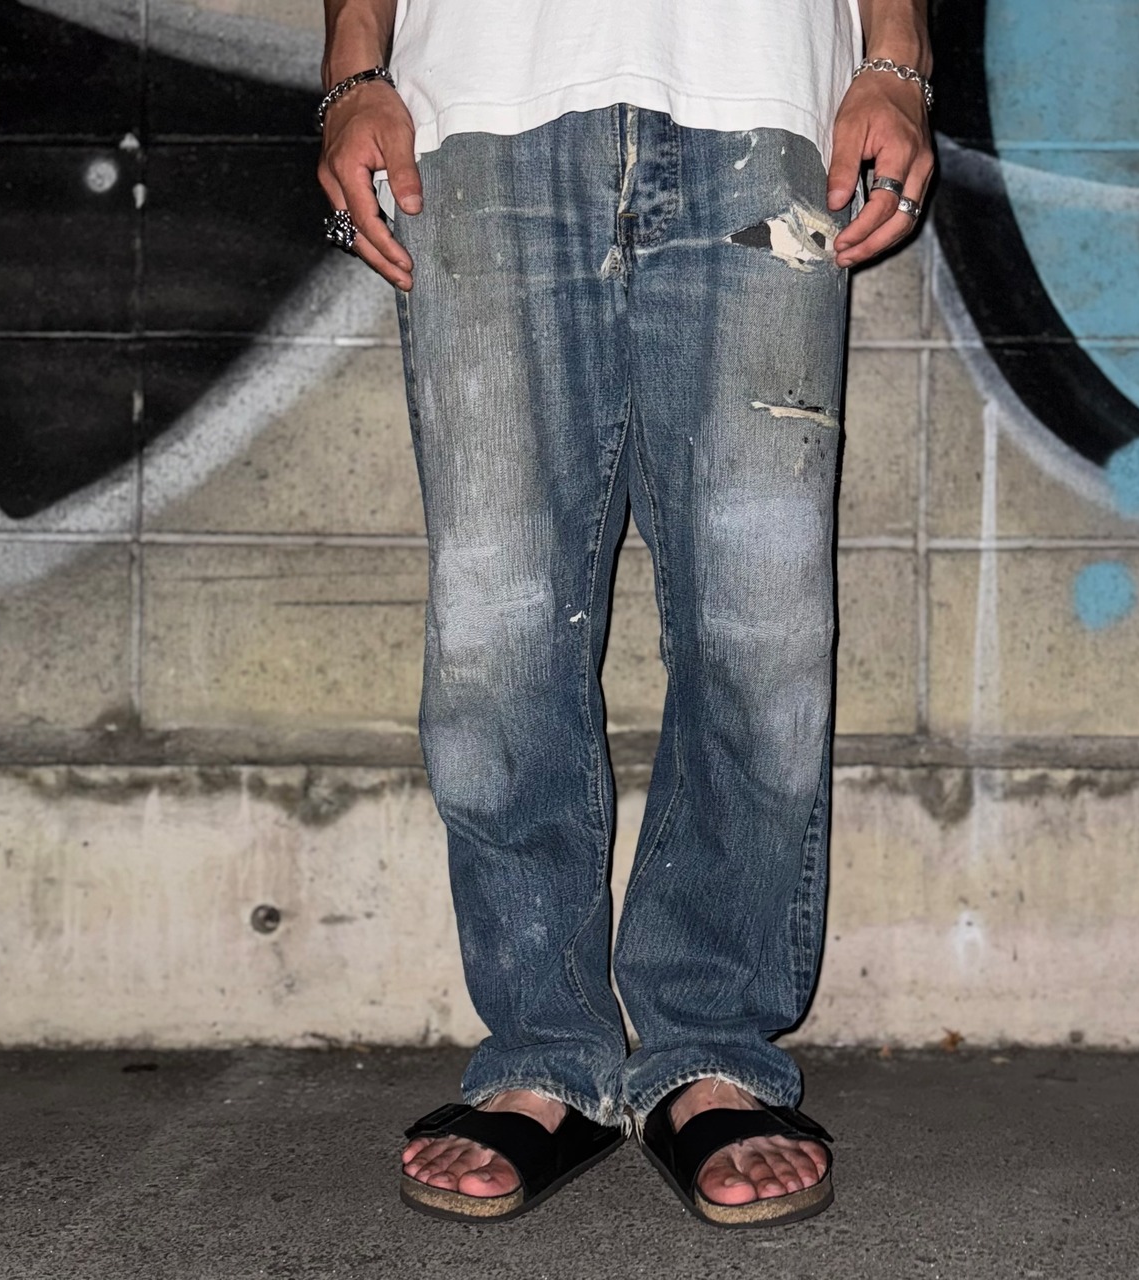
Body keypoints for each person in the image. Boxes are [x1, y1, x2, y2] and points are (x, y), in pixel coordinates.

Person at [318, 0, 934, 1229]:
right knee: (494, 635)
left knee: (761, 632)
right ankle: (545, 1049)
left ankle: (709, 1046)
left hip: (762, 95)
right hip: (472, 107)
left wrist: (897, 59)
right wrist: (350, 72)